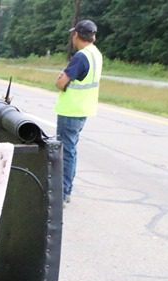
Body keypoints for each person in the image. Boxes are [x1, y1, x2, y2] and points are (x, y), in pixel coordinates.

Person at [55, 19, 102, 204]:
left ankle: (63, 192)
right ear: (93, 36)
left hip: (71, 110)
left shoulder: (81, 56)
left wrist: (62, 80)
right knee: (71, 150)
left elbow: (60, 82)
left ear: (76, 35)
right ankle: (66, 189)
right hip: (84, 109)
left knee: (66, 152)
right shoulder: (96, 54)